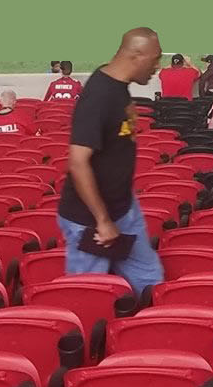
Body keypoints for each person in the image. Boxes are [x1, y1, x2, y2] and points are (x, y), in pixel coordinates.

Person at [57, 26, 165, 293]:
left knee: (151, 281)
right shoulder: (99, 97)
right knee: (90, 297)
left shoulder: (118, 84)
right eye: (155, 60)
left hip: (124, 209)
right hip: (90, 220)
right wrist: (103, 221)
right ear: (136, 56)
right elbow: (78, 162)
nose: (157, 67)